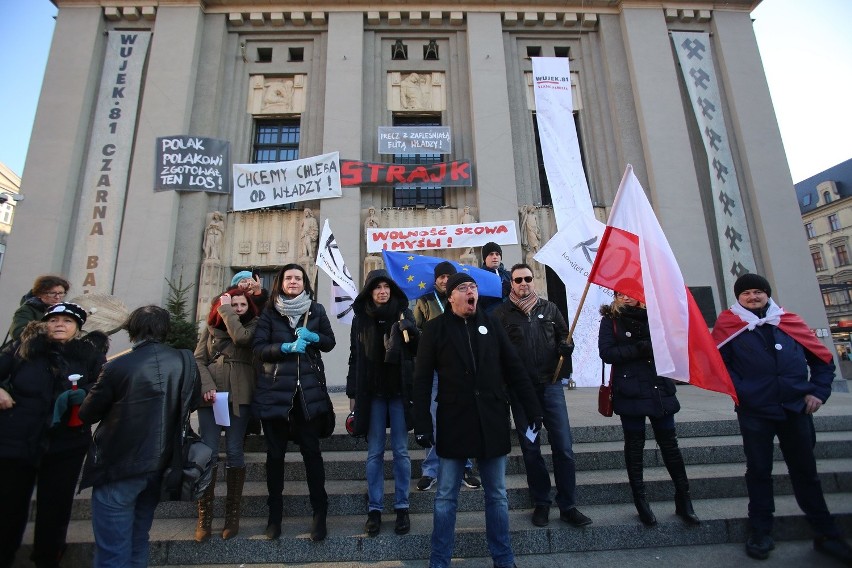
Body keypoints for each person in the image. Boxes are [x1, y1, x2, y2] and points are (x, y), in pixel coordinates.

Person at [712, 273, 852, 563]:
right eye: (746, 293)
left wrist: (818, 393)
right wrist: (743, 391)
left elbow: (823, 361)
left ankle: (826, 533)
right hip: (755, 412)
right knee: (759, 471)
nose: (753, 297)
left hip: (795, 410)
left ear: (767, 294)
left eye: (758, 291)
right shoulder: (729, 327)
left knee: (806, 473)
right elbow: (718, 367)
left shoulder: (789, 322)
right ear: (738, 298)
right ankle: (760, 531)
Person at [413, 272, 543, 568]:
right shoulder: (435, 329)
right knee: (446, 496)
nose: (471, 292)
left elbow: (514, 369)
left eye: (473, 287)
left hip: (491, 419)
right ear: (451, 297)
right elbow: (420, 380)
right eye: (463, 288)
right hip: (454, 421)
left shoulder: (491, 324)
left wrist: (534, 408)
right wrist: (421, 422)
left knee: (496, 494)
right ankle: (440, 560)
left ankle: (503, 558)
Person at [78, 305, 199, 568]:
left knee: (112, 548)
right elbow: (194, 400)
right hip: (161, 462)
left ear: (132, 330)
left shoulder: (116, 366)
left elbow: (88, 413)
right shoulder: (184, 361)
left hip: (121, 463)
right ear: (165, 329)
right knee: (138, 538)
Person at [0, 303, 103, 568]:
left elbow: (102, 386)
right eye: (54, 319)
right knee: (9, 505)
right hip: (17, 438)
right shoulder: (22, 349)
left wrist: (86, 393)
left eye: (67, 321)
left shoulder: (88, 355)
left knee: (55, 508)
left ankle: (47, 558)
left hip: (65, 443)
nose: (59, 324)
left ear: (78, 328)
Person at [494, 263, 591, 528]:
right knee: (530, 449)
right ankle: (541, 502)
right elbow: (498, 354)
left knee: (564, 447)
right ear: (511, 283)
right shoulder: (502, 314)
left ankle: (568, 504)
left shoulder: (550, 309)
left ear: (532, 280)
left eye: (527, 278)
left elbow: (565, 338)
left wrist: (566, 348)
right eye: (518, 280)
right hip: (522, 392)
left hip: (550, 386)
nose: (523, 283)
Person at [598, 291, 700, 528]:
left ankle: (684, 498)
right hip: (630, 390)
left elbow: (672, 343)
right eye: (619, 293)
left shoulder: (656, 316)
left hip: (658, 388)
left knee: (670, 446)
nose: (624, 297)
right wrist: (641, 348)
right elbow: (607, 352)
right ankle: (641, 501)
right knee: (635, 448)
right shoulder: (611, 319)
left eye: (628, 292)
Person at [252, 263, 335, 542]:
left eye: (298, 278)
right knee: (275, 457)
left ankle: (319, 514)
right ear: (280, 282)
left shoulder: (316, 310)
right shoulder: (269, 313)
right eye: (288, 278)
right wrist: (284, 348)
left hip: (307, 398)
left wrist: (314, 337)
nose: (293, 282)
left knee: (312, 455)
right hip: (276, 395)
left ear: (305, 283)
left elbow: (329, 342)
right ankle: (274, 517)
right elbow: (259, 349)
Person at [346, 270, 418, 536]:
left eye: (386, 287)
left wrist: (412, 331)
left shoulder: (403, 313)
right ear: (369, 292)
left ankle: (402, 507)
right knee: (374, 452)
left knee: (401, 451)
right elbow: (355, 356)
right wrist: (352, 392)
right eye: (377, 287)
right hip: (372, 393)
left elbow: (416, 350)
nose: (382, 291)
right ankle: (374, 509)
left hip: (399, 392)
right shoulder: (361, 319)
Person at [193, 287, 260, 542]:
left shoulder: (254, 326)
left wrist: (226, 310)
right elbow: (198, 360)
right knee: (208, 452)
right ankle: (204, 515)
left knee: (234, 451)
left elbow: (241, 339)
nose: (238, 309)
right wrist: (207, 387)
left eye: (242, 305)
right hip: (212, 398)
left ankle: (232, 515)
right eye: (234, 304)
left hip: (240, 397)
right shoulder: (209, 330)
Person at [413, 261, 480, 491]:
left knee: (464, 417)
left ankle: (466, 467)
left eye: (447, 276)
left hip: (459, 368)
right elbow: (415, 332)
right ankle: (430, 470)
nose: (443, 280)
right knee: (433, 418)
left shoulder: (466, 302)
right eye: (440, 276)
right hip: (433, 368)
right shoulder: (424, 301)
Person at [6, 274, 71, 342]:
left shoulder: (67, 310)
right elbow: (18, 333)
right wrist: (49, 328)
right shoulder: (27, 309)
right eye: (52, 293)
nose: (57, 297)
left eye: (61, 293)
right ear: (39, 294)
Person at [478, 242, 511, 314]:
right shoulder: (479, 276)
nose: (495, 257)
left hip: (510, 317)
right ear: (485, 258)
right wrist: (499, 292)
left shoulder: (509, 275)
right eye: (491, 254)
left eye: (497, 254)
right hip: (490, 318)